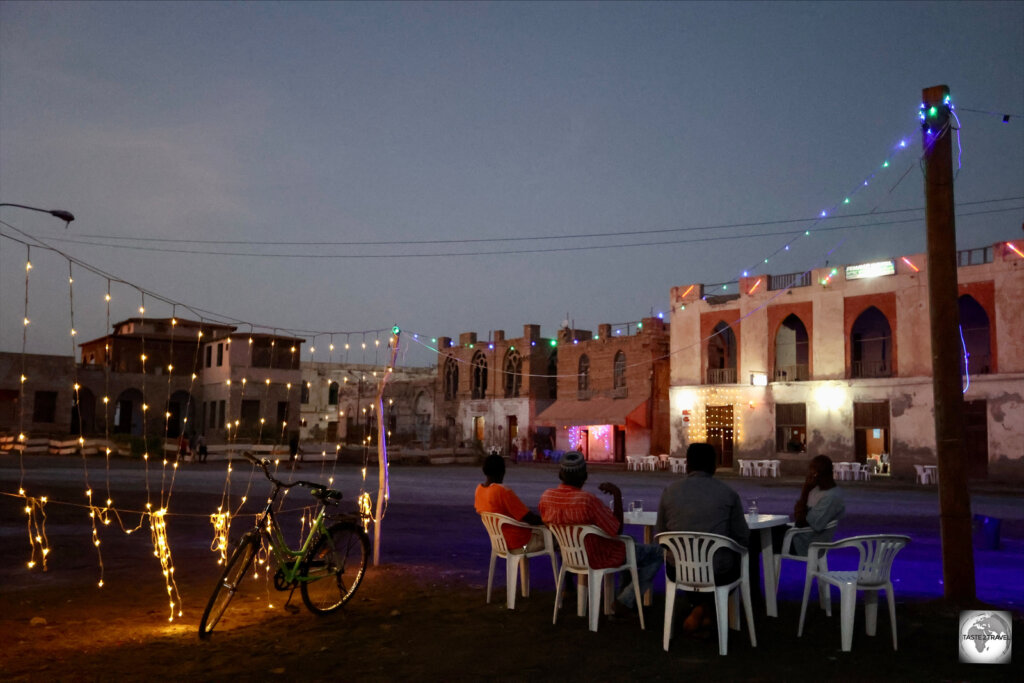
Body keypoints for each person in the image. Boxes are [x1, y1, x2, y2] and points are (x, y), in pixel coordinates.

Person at [539, 451, 662, 615]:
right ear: (585, 476)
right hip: (599, 556)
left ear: (560, 474)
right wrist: (617, 495)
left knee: (630, 542)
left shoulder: (547, 498)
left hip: (571, 556)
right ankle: (626, 599)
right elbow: (617, 529)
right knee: (660, 552)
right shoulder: (587, 501)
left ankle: (623, 594)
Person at [656, 442, 750, 633]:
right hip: (717, 572)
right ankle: (707, 612)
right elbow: (742, 536)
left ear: (687, 465)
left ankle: (700, 610)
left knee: (697, 567)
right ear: (714, 466)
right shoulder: (728, 493)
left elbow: (660, 533)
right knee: (741, 558)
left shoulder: (669, 492)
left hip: (679, 570)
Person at [474, 453, 544, 551]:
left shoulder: (479, 490)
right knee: (558, 539)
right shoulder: (502, 491)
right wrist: (546, 522)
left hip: (499, 543)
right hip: (520, 543)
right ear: (502, 472)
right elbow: (528, 517)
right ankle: (568, 563)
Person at [787, 454, 845, 556]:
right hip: (801, 537)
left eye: (812, 473)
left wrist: (805, 490)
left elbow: (801, 522)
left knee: (760, 539)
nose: (809, 476)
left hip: (805, 544)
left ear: (817, 474)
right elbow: (799, 516)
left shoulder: (832, 497)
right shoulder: (817, 490)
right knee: (761, 534)